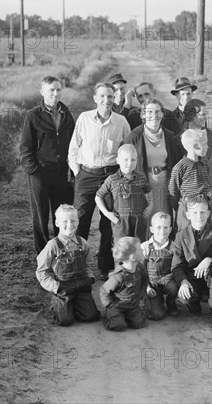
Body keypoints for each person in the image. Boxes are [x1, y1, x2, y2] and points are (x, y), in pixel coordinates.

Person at [68, 82, 131, 280]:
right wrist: (78, 172)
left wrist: (121, 176)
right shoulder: (84, 118)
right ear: (95, 98)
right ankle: (77, 265)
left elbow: (127, 150)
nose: (106, 100)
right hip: (86, 174)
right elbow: (73, 148)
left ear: (114, 99)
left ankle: (104, 266)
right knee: (80, 220)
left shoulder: (121, 122)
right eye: (102, 96)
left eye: (110, 97)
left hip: (111, 175)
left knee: (108, 222)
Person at [20, 76, 75, 254]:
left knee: (62, 215)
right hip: (41, 172)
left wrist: (72, 170)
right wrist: (34, 171)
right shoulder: (33, 115)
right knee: (41, 215)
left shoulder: (67, 114)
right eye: (51, 90)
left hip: (62, 172)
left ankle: (62, 251)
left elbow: (74, 144)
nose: (55, 93)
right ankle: (43, 255)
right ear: (42, 92)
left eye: (58, 89)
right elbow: (26, 147)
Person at [35, 204, 99, 326]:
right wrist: (55, 287)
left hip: (81, 286)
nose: (70, 224)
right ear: (57, 223)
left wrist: (89, 278)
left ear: (78, 222)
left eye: (73, 221)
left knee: (91, 316)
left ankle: (75, 304)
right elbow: (41, 271)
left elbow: (89, 264)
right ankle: (60, 304)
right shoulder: (52, 246)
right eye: (65, 221)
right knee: (65, 321)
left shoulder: (83, 243)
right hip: (63, 288)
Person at [124, 98, 181, 223]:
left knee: (163, 222)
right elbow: (125, 166)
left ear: (162, 114)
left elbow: (177, 164)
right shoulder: (134, 137)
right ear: (143, 115)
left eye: (157, 112)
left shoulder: (170, 137)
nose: (154, 115)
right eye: (149, 112)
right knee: (145, 224)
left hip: (164, 188)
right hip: (143, 187)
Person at [170, 195, 212, 327]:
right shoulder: (181, 235)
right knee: (185, 296)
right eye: (194, 212)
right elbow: (176, 265)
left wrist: (210, 259)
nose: (199, 216)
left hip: (210, 275)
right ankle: (194, 303)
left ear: (209, 214)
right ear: (188, 215)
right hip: (191, 275)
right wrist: (183, 282)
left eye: (202, 212)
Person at [95, 144, 153, 243]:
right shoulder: (112, 179)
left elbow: (148, 191)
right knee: (122, 249)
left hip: (139, 220)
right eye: (125, 159)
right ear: (118, 160)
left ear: (137, 160)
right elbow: (98, 197)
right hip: (120, 221)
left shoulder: (141, 177)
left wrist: (151, 205)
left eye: (133, 160)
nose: (129, 163)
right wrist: (108, 214)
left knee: (139, 247)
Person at [99, 237, 148, 331]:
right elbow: (104, 290)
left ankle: (124, 317)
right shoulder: (118, 277)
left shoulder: (140, 268)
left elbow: (145, 279)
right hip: (118, 306)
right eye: (140, 249)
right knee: (118, 326)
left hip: (133, 304)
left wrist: (142, 293)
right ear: (132, 257)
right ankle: (110, 316)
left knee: (139, 323)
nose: (142, 249)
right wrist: (109, 305)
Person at [168, 129, 212, 230]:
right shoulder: (180, 167)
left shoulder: (205, 162)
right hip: (187, 208)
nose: (208, 147)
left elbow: (207, 182)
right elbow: (173, 190)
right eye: (204, 144)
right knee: (185, 234)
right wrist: (178, 207)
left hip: (202, 206)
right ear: (195, 146)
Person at [141, 212, 179, 319]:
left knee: (174, 288)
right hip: (151, 284)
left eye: (165, 227)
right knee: (157, 315)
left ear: (170, 229)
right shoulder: (145, 247)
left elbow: (177, 267)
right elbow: (140, 271)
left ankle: (171, 303)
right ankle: (149, 301)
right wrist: (147, 287)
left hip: (167, 281)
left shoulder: (174, 247)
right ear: (152, 229)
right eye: (158, 227)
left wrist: (169, 278)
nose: (162, 231)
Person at [178, 99, 212, 186]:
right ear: (191, 116)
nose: (206, 117)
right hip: (189, 191)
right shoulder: (178, 140)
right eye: (203, 114)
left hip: (210, 187)